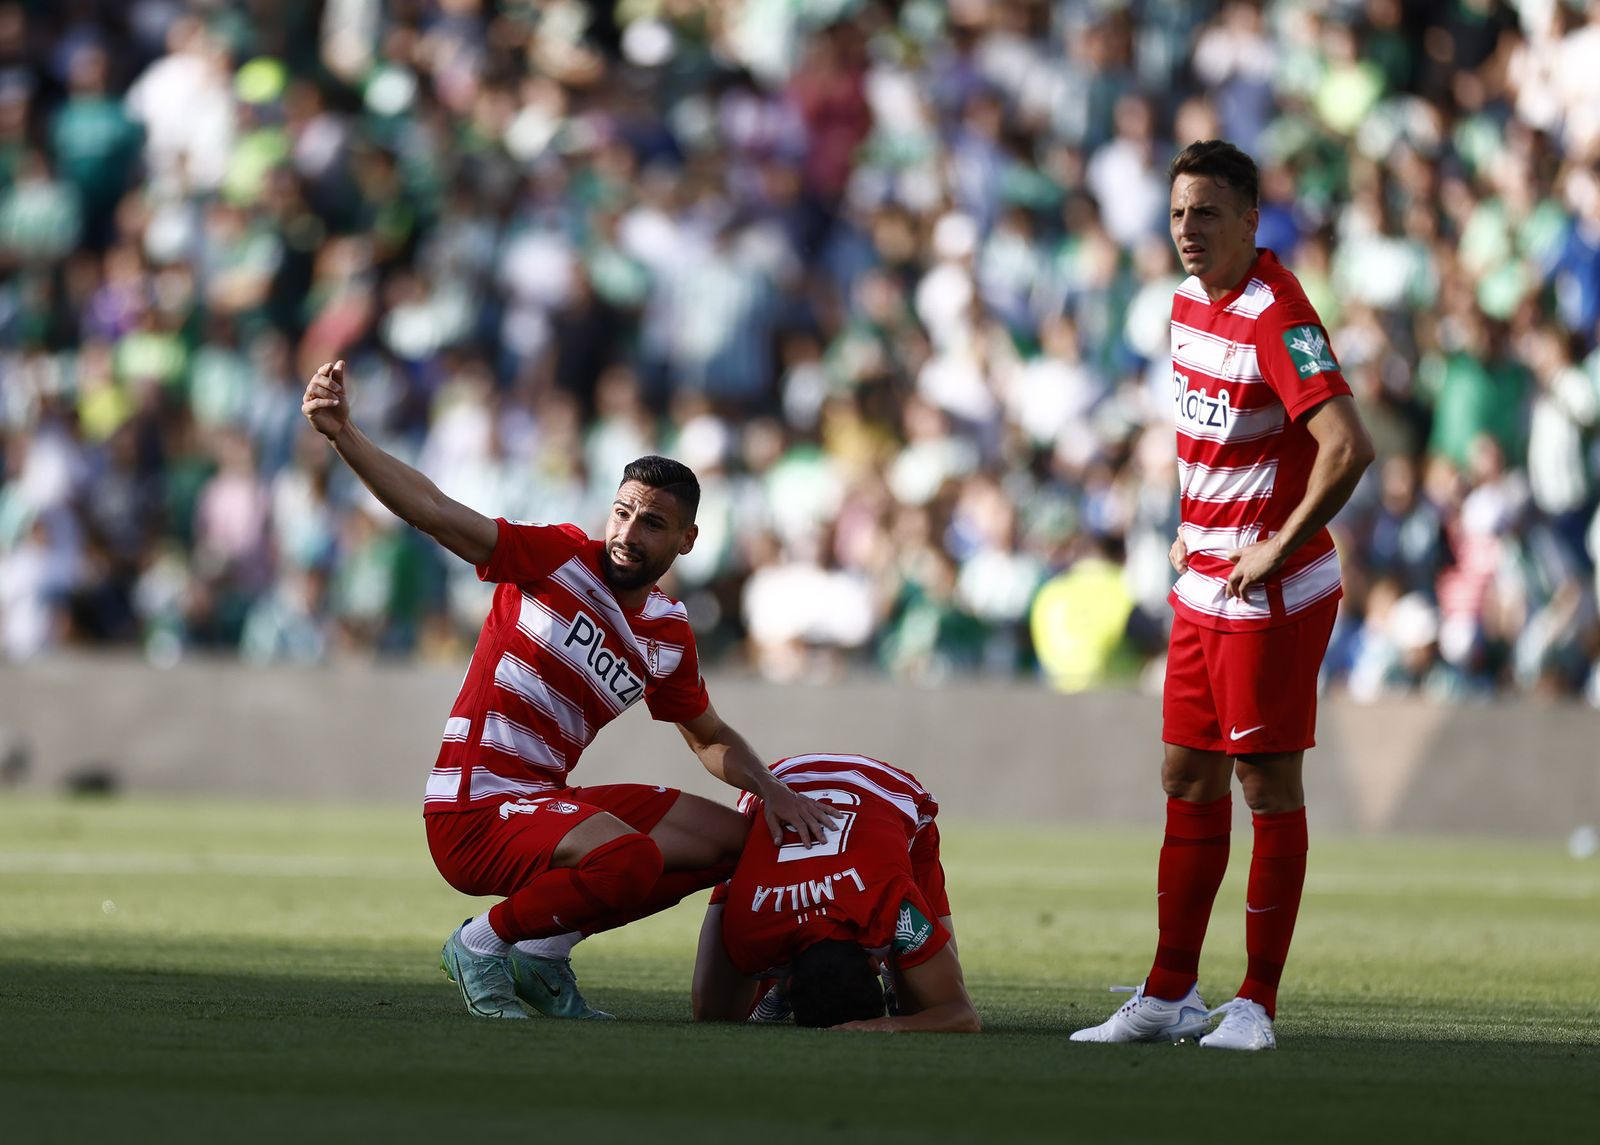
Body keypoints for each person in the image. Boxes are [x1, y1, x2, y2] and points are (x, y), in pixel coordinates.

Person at [300, 359, 836, 1020]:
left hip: (542, 801)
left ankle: (543, 954)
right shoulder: (554, 559)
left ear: (688, 540)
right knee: (630, 858)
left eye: (652, 523)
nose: (628, 533)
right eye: (623, 512)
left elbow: (709, 736)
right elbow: (434, 511)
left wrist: (773, 790)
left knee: (732, 843)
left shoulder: (668, 632)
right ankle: (482, 942)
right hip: (473, 811)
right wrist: (343, 434)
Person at [1070, 141, 1375, 1051]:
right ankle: (1167, 992)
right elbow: (1214, 445)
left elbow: (1347, 444)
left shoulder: (1279, 316)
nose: (1187, 231)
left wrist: (1278, 544)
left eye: (1205, 213)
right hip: (1201, 580)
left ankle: (1256, 1001)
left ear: (1251, 218)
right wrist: (1190, 521)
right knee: (1184, 774)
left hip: (1271, 593)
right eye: (1176, 215)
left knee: (1265, 783)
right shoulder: (1180, 306)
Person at [691, 752, 979, 1033]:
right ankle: (901, 963)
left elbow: (961, 1016)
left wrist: (893, 1023)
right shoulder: (889, 907)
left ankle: (899, 966)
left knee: (719, 1013)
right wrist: (897, 1024)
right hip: (795, 782)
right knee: (920, 1008)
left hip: (877, 788)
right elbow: (959, 1014)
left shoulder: (889, 906)